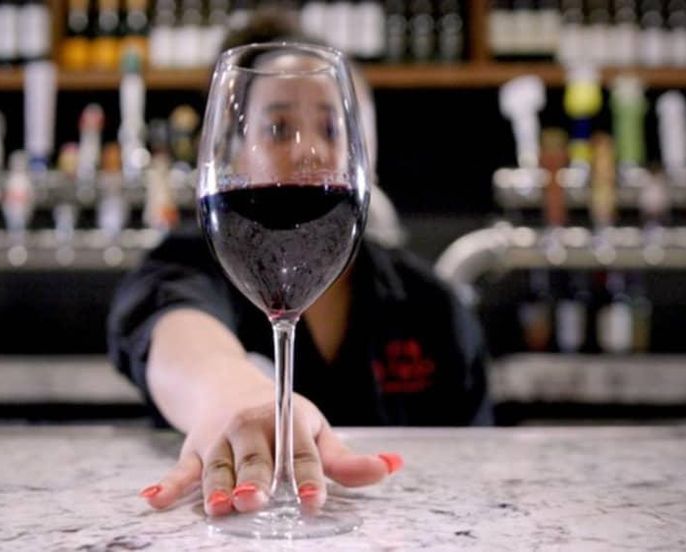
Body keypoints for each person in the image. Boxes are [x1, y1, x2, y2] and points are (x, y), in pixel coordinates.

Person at [108, 11, 492, 518]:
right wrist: (234, 397)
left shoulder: (432, 306)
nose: (310, 151)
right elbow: (177, 334)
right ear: (231, 149)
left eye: (333, 127)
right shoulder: (190, 261)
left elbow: (481, 468)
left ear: (368, 152)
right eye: (277, 127)